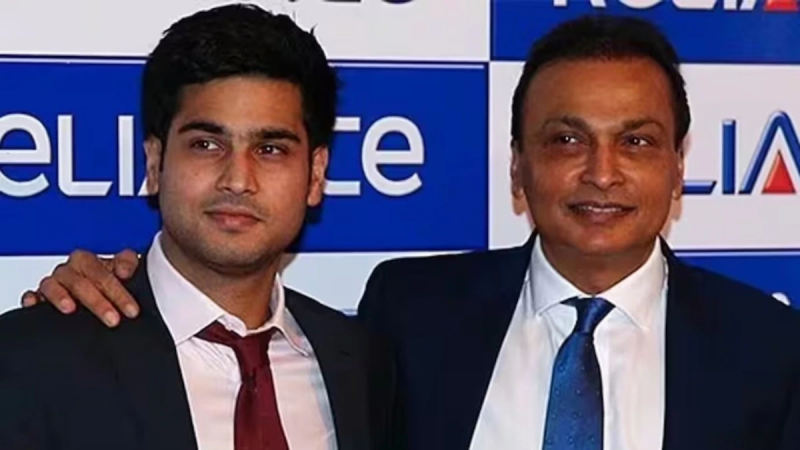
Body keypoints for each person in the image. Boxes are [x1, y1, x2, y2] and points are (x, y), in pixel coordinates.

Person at [19, 14, 800, 450]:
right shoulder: (411, 315)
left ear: (677, 166)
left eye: (636, 141)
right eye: (565, 139)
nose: (601, 172)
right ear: (518, 167)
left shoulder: (772, 350)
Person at [0, 4, 397, 450]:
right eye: (206, 144)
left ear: (316, 175)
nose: (238, 180)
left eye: (270, 149)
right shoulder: (31, 359)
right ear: (155, 163)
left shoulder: (361, 365)